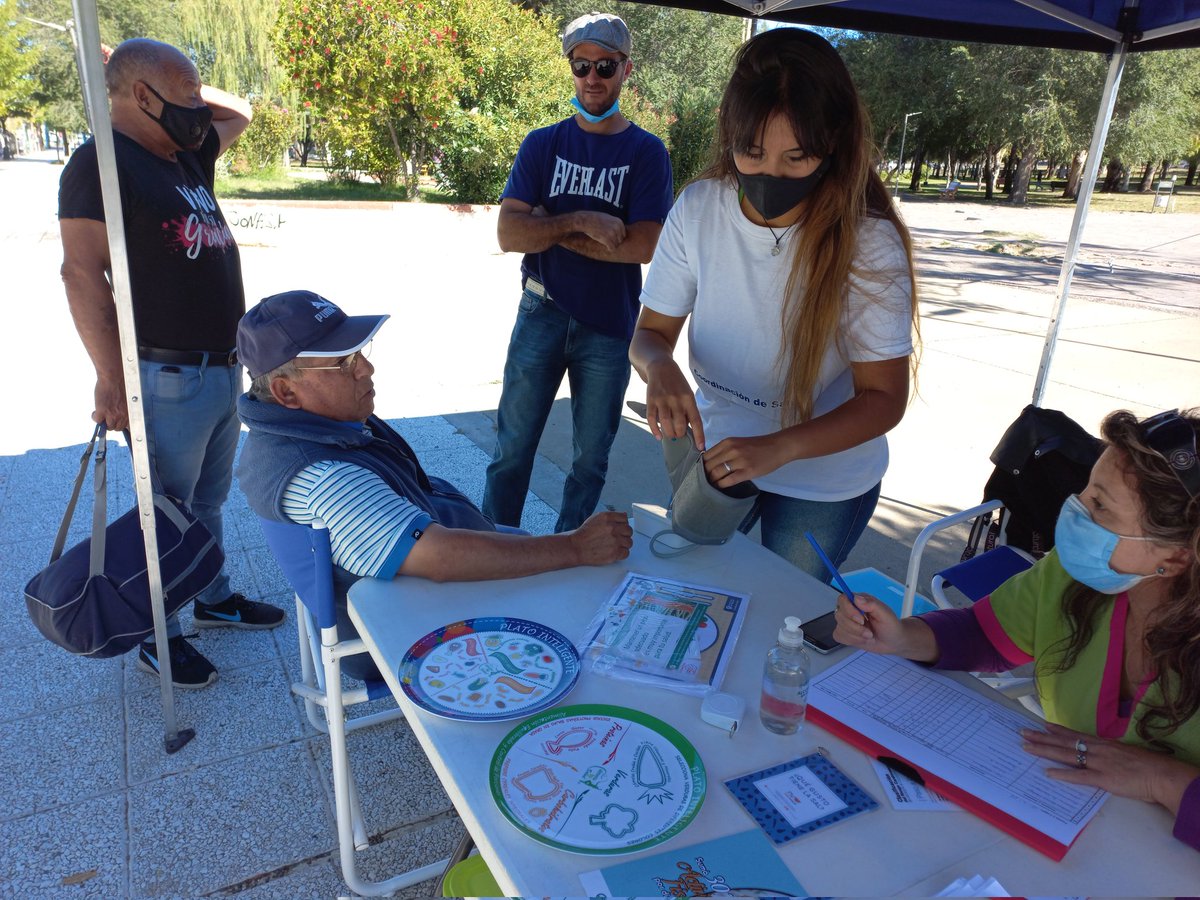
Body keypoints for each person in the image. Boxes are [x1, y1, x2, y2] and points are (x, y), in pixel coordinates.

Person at [835, 409, 1200, 851]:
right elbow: (986, 633)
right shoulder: (1072, 575)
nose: (1075, 509)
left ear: (1177, 557)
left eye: (1100, 506)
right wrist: (904, 636)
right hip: (1069, 828)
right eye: (1086, 489)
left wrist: (1163, 779)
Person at [629, 28, 918, 582]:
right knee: (691, 594)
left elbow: (883, 399)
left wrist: (779, 448)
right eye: (753, 153)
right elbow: (649, 335)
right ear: (729, 135)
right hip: (717, 460)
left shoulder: (867, 241)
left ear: (832, 144)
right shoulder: (698, 208)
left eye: (797, 157)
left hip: (825, 479)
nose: (770, 177)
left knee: (779, 623)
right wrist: (659, 369)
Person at [235, 290, 634, 678]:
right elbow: (441, 558)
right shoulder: (320, 474)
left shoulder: (313, 426)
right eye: (343, 363)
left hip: (417, 589)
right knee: (591, 604)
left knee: (572, 568)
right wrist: (574, 547)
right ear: (286, 392)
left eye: (360, 353)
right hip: (402, 625)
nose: (365, 369)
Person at [58, 38, 284, 690]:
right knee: (165, 511)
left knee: (205, 503)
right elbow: (80, 273)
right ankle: (164, 635)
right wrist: (111, 376)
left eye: (194, 93)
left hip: (219, 369)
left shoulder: (182, 154)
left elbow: (237, 112)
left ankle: (212, 598)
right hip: (165, 375)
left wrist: (182, 92)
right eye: (180, 94)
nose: (195, 106)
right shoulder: (101, 162)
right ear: (138, 96)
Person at [482, 12, 673, 534]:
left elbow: (644, 244)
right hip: (540, 311)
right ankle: (493, 550)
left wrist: (546, 226)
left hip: (610, 328)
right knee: (511, 452)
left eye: (605, 65)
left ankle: (569, 551)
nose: (592, 78)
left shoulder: (647, 153)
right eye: (581, 65)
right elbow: (508, 234)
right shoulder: (542, 144)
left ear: (625, 70)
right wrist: (587, 222)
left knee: (590, 462)